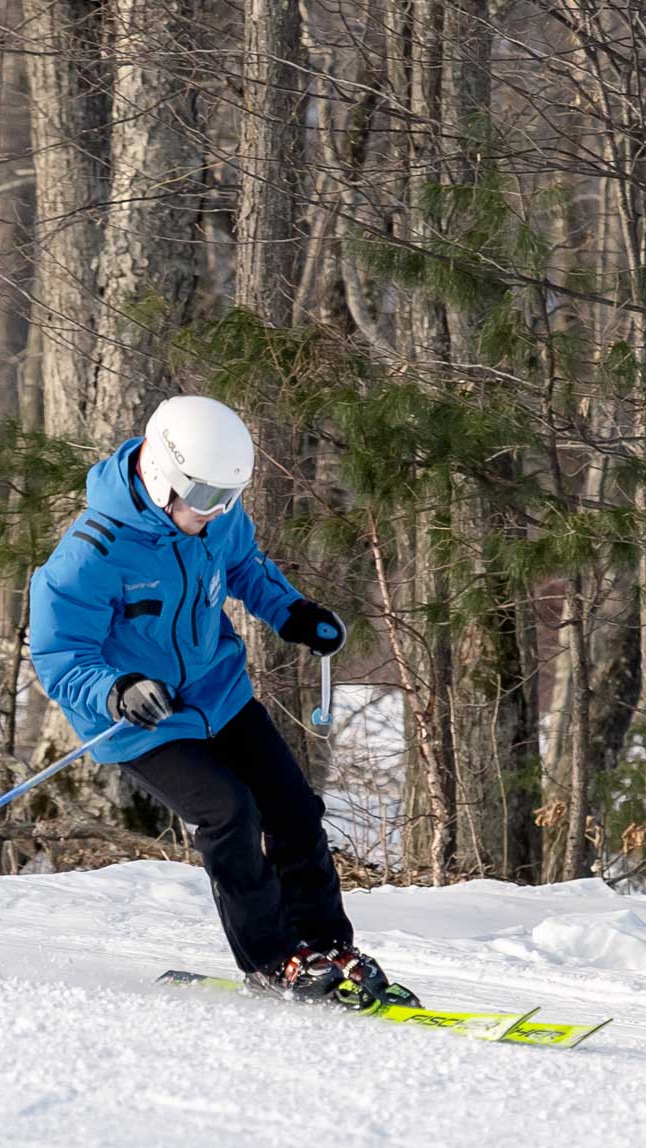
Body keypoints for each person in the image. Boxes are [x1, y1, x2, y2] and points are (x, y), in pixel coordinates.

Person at [29, 394, 396, 1006]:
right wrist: (116, 690)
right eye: (205, 500)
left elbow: (245, 566)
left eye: (228, 499)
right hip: (141, 721)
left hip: (217, 693)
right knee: (229, 813)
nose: (217, 513)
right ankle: (273, 960)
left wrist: (292, 613)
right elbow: (60, 656)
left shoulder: (216, 517)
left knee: (294, 808)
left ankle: (326, 947)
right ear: (160, 478)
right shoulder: (89, 555)